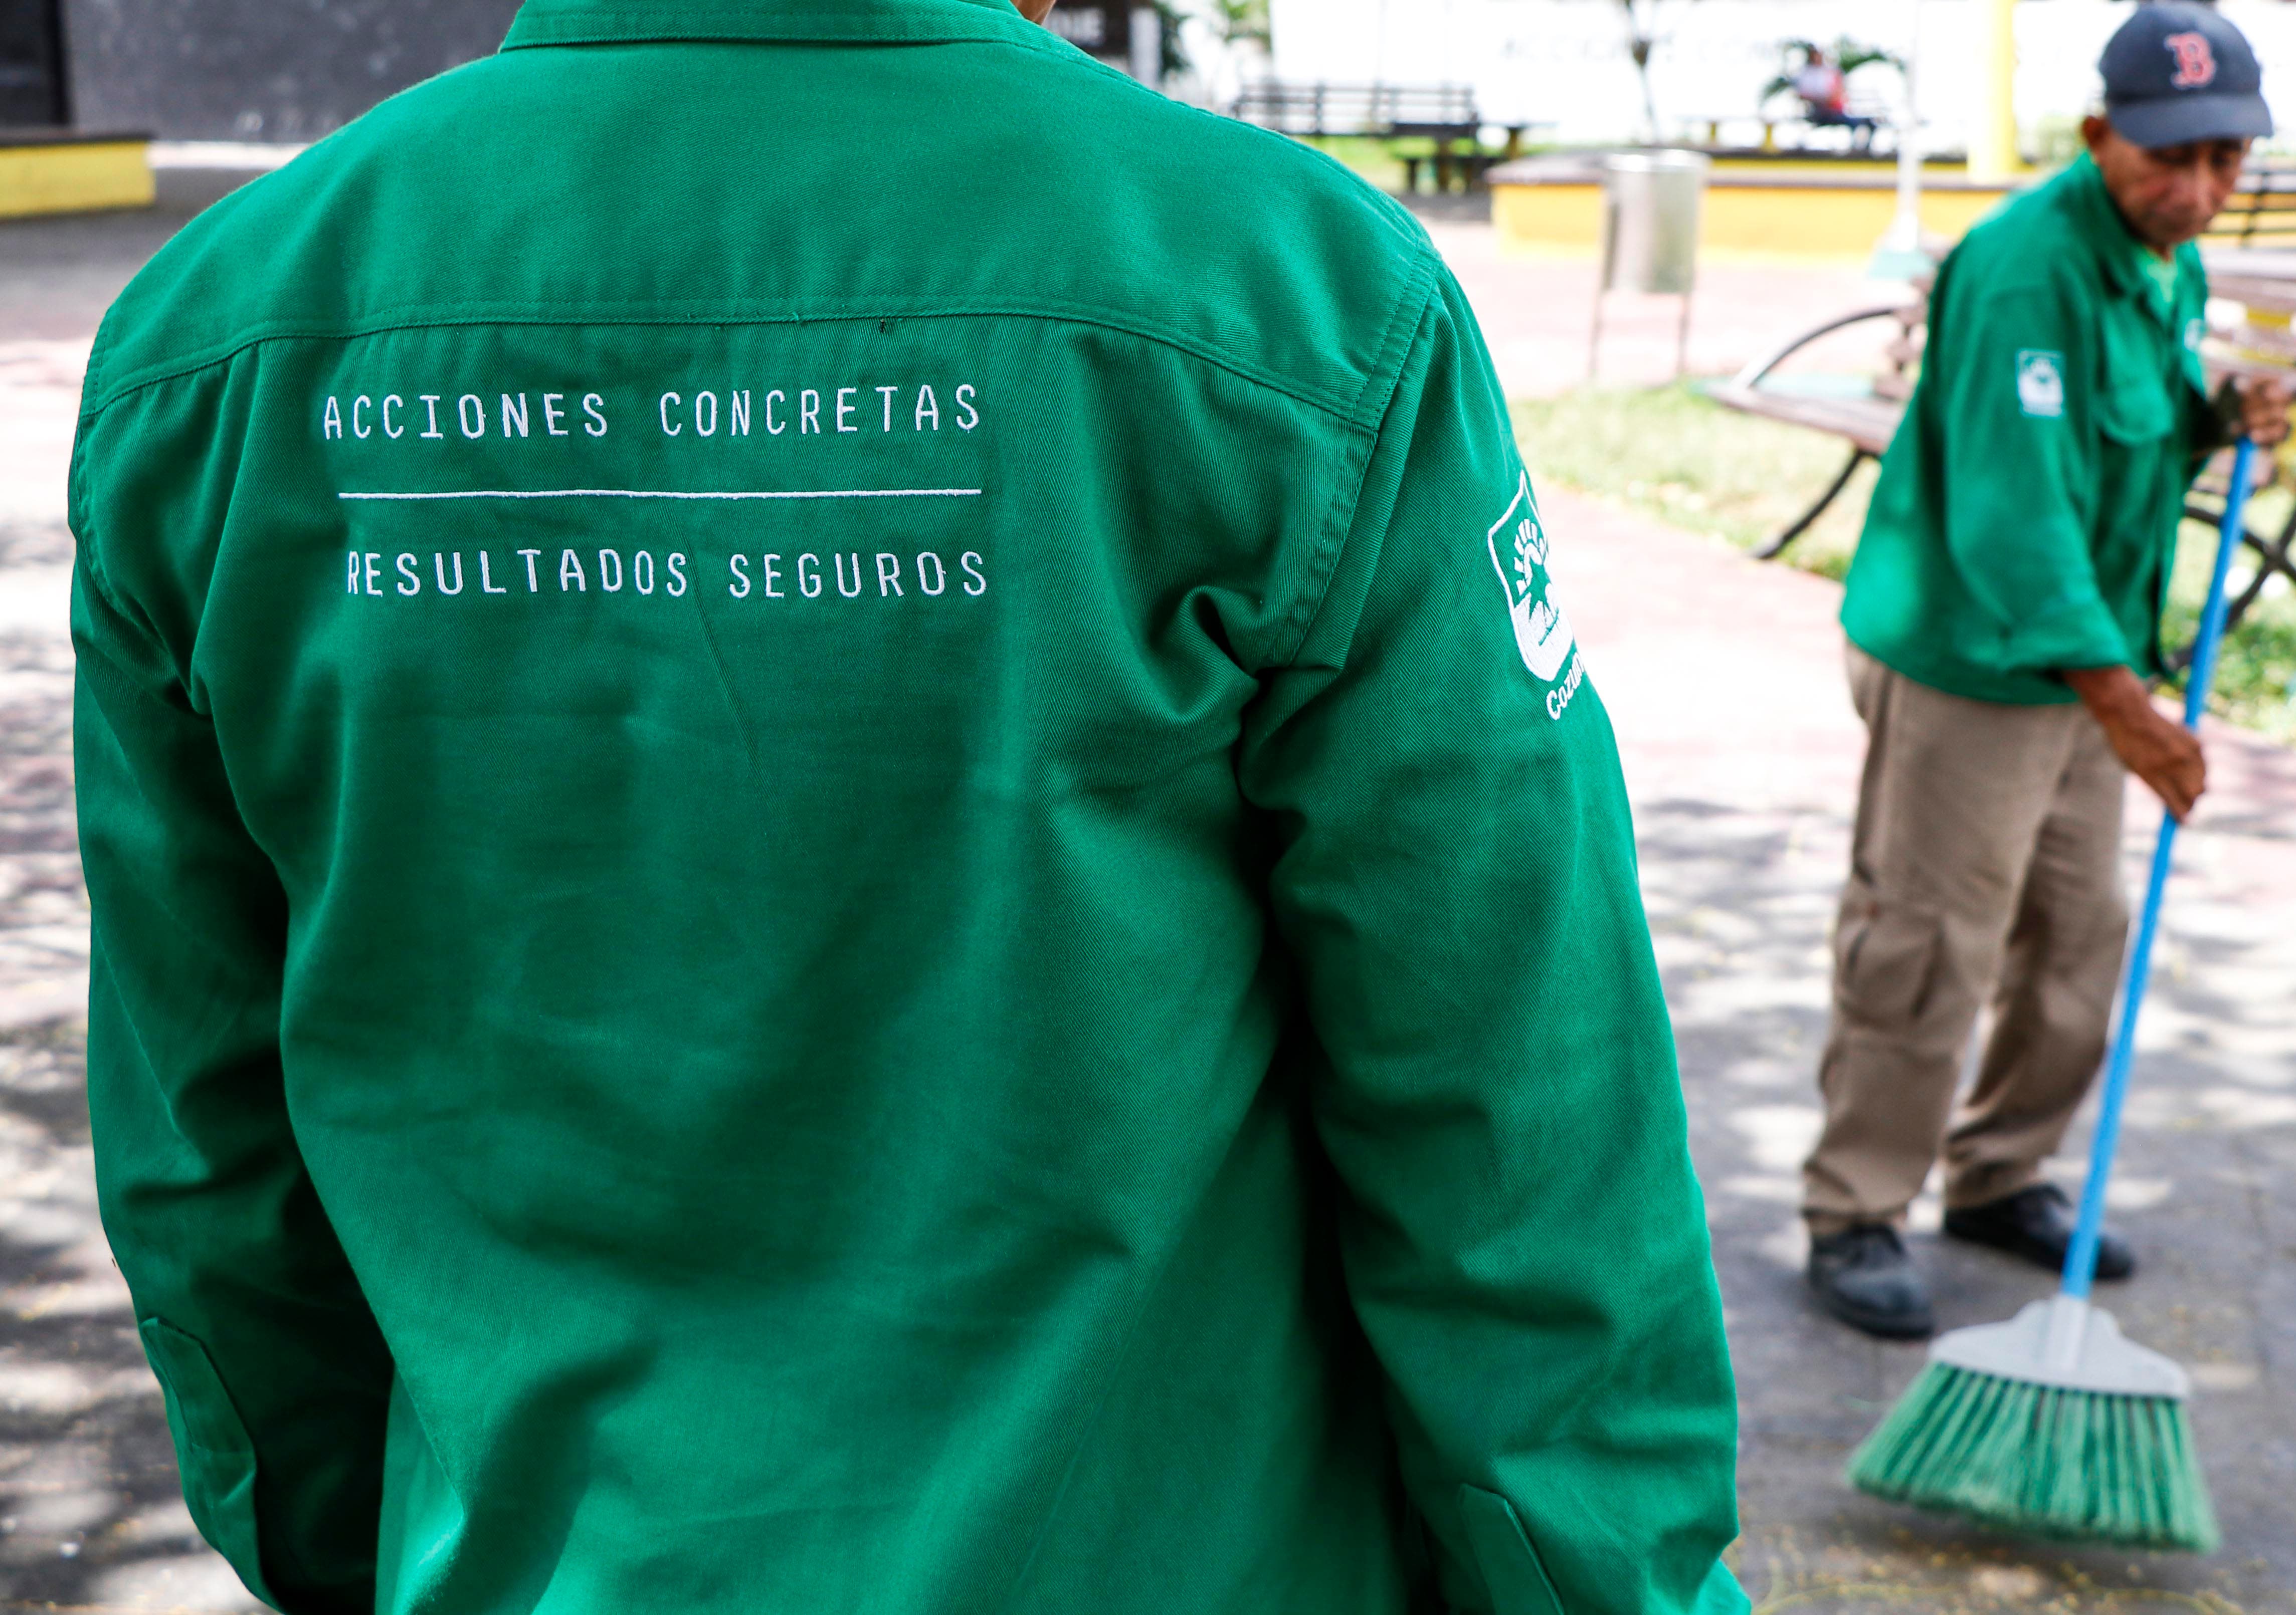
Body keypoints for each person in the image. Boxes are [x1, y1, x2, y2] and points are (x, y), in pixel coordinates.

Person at [70, 1, 1747, 1610]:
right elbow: (1511, 1108)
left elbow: (207, 1165)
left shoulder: (212, 344)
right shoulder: (1290, 296)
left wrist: (353, 1546)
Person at [1797, 1, 2293, 1340]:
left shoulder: (2166, 259)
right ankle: (1853, 1208)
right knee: (1927, 941)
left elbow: (2112, 437)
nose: (2197, 189)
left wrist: (2215, 415)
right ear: (2097, 135)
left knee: (2076, 939)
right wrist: (2126, 705)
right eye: (2168, 157)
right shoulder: (2026, 268)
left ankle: (1998, 1174)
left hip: (2084, 665)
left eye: (2225, 159)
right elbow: (2014, 513)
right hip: (1975, 664)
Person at [1789, 46, 1877, 148]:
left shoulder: (1828, 71)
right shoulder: (1807, 73)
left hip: (1836, 110)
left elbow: (1838, 92)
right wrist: (1823, 99)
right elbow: (1803, 95)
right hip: (1818, 111)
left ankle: (1859, 149)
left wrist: (1832, 97)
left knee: (1868, 122)